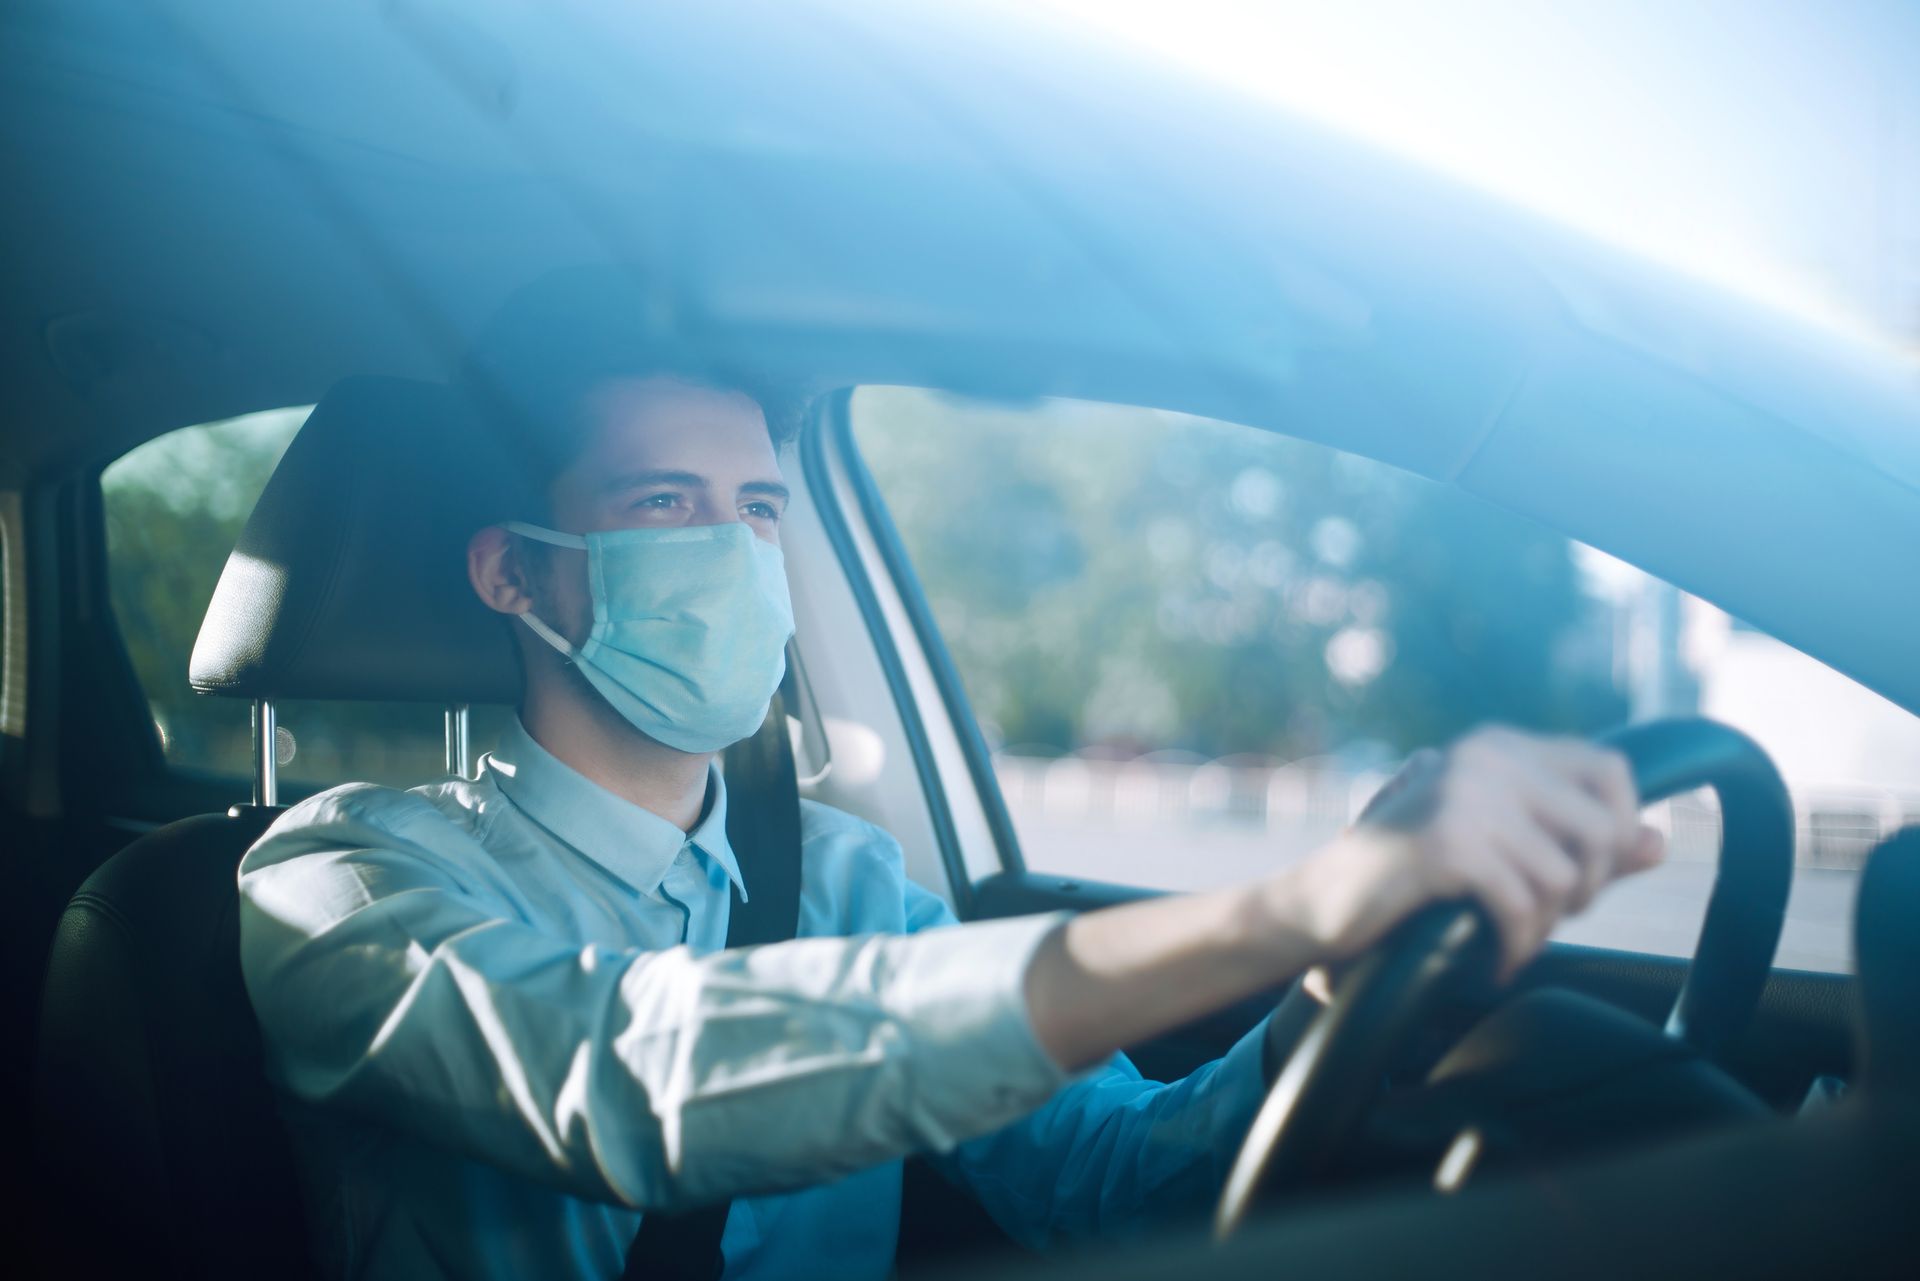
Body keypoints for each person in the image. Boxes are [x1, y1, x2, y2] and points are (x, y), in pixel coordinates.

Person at [236, 278, 1665, 1281]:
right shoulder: (342, 881)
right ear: (510, 569)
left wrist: (1324, 986)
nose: (731, 554)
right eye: (663, 504)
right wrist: (1281, 907)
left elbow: (1111, 1183)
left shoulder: (853, 880)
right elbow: (630, 1077)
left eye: (759, 511)